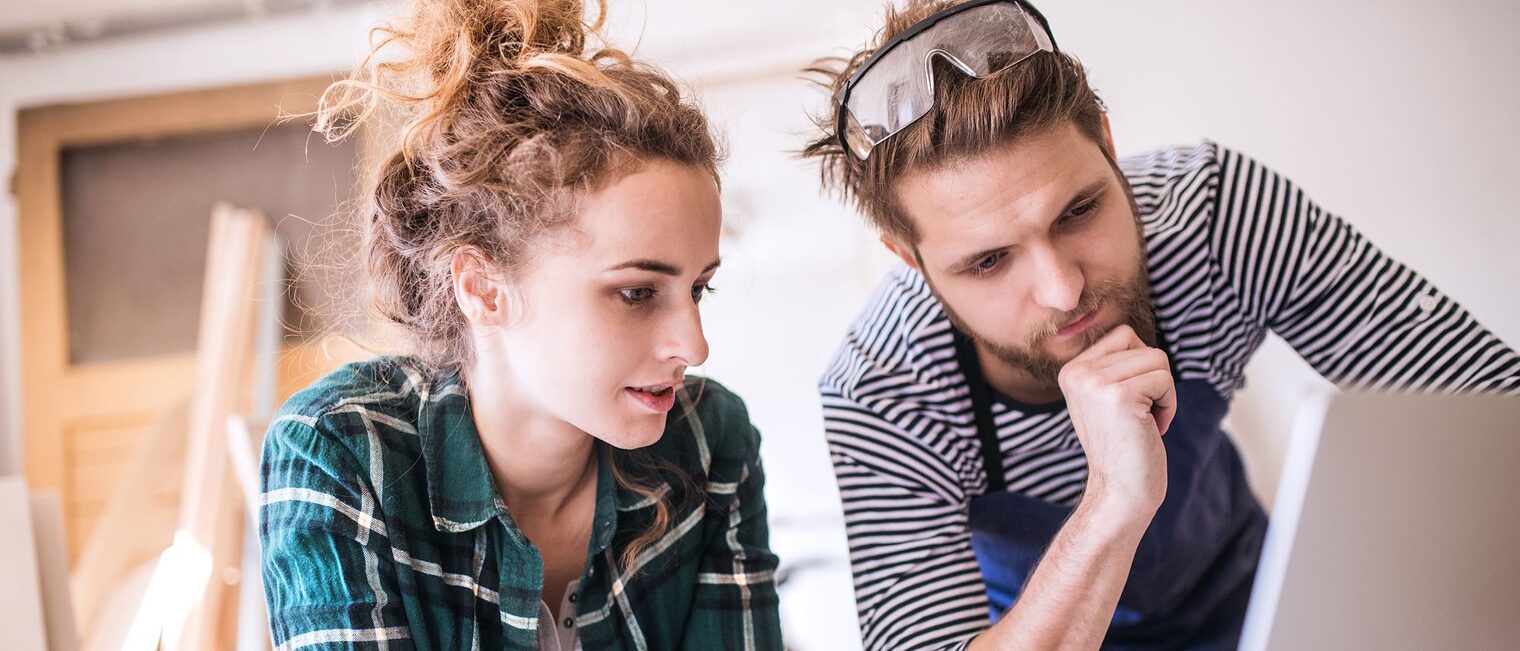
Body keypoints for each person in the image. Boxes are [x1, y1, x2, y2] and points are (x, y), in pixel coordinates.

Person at [800, 1, 1520, 649]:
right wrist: (1114, 498)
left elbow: (1492, 413)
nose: (1063, 290)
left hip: (1254, 600)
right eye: (988, 261)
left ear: (1109, 145)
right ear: (911, 261)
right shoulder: (884, 390)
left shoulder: (1216, 215)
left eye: (1078, 211)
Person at [258, 1, 781, 649]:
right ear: (482, 288)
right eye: (637, 291)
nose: (694, 344)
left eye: (698, 287)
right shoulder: (341, 449)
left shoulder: (710, 439)